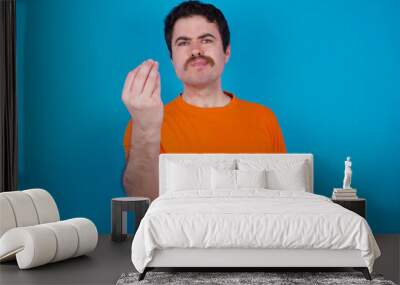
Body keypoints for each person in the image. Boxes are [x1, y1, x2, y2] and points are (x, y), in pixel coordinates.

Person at [121, 1, 287, 201]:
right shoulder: (145, 122)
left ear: (226, 52)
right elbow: (143, 198)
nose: (195, 50)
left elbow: (281, 200)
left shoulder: (264, 119)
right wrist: (146, 129)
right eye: (183, 42)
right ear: (172, 59)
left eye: (206, 40)